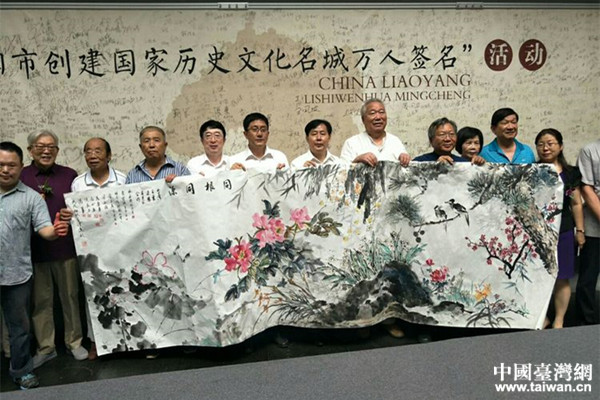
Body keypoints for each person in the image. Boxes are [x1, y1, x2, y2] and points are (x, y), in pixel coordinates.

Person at [1, 141, 69, 390]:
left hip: (17, 274)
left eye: (11, 165)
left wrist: (56, 230)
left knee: (19, 328)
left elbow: (45, 229)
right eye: (1, 165)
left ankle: (22, 371)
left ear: (21, 167)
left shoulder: (31, 197)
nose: (5, 170)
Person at [20, 130, 89, 367]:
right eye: (40, 146)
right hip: (34, 251)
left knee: (70, 298)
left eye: (51, 147)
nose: (46, 151)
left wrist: (73, 213)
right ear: (30, 150)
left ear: (57, 151)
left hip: (65, 248)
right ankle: (46, 347)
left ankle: (74, 342)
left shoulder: (69, 175)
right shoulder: (22, 175)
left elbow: (82, 206)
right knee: (41, 302)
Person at [71, 137, 126, 359]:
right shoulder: (78, 183)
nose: (92, 155)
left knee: (122, 292)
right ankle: (97, 342)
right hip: (91, 249)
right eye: (88, 151)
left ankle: (125, 339)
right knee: (93, 294)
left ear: (109, 155)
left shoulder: (122, 180)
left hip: (120, 245)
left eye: (98, 151)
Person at [535, 129, 585, 328]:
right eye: (541, 144)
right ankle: (541, 318)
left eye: (550, 143)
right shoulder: (530, 170)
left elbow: (576, 203)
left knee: (562, 277)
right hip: (537, 232)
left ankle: (559, 319)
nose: (545, 148)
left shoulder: (570, 173)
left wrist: (580, 231)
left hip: (563, 230)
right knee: (538, 276)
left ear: (561, 146)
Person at [340, 99, 410, 167]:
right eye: (372, 113)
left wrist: (405, 159)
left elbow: (407, 171)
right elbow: (341, 172)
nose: (378, 117)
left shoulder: (395, 141)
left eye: (381, 112)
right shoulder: (351, 143)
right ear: (363, 119)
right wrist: (357, 161)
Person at [576, 139, 600, 325]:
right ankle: (586, 323)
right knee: (588, 278)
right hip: (594, 226)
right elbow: (586, 188)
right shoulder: (590, 150)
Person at [125, 126, 190, 184]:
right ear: (141, 147)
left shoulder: (180, 171)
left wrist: (179, 184)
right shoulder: (132, 175)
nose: (151, 145)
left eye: (156, 140)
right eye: (147, 141)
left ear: (165, 145)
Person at [413, 118, 484, 165]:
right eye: (442, 134)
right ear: (431, 140)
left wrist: (479, 165)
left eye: (451, 134)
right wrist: (435, 165)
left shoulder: (463, 163)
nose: (448, 139)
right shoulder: (419, 162)